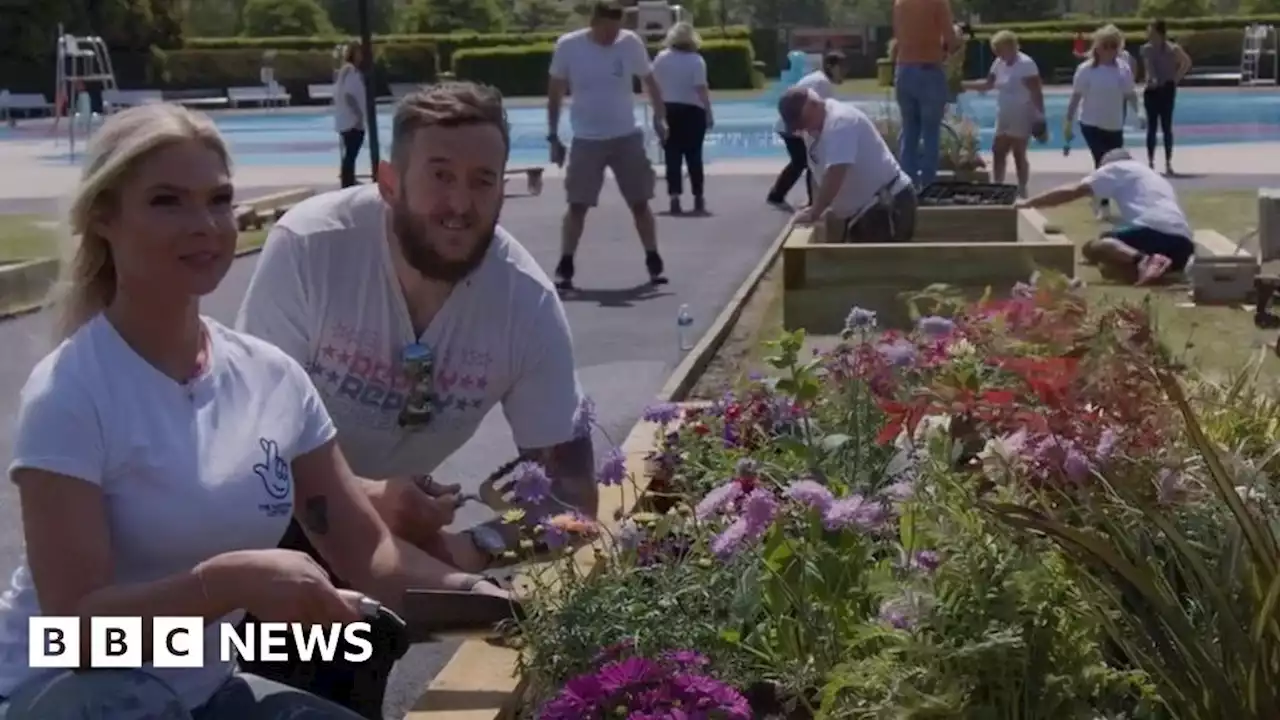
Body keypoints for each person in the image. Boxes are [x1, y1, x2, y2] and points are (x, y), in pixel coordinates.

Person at [0, 103, 513, 720]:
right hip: (66, 693)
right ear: (104, 217)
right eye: (168, 201)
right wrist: (227, 587)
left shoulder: (271, 378)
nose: (205, 224)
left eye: (218, 200)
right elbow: (77, 638)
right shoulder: (71, 392)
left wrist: (505, 606)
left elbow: (372, 558)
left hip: (202, 690)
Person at [234, 81, 596, 716]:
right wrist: (372, 497)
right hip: (263, 514)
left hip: (385, 544)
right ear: (389, 181)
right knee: (291, 666)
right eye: (440, 176)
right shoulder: (313, 248)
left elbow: (571, 494)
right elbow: (247, 443)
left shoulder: (525, 305)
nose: (461, 203)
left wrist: (472, 547)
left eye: (484, 180)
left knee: (351, 662)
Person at [546, 0, 669, 291]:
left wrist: (660, 118)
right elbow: (555, 91)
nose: (612, 37)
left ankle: (653, 259)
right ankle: (566, 263)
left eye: (616, 30)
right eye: (607, 31)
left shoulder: (630, 44)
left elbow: (649, 81)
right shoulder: (569, 46)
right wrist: (553, 135)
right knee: (577, 204)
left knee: (640, 201)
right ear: (594, 23)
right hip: (587, 139)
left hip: (626, 134)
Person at [1016, 148, 1193, 286]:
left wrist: (1030, 203)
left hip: (1153, 232)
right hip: (1182, 244)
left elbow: (1073, 191)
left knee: (1097, 246)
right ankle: (1157, 267)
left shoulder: (1116, 168)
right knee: (1110, 269)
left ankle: (1145, 260)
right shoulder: (1151, 175)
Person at [777, 87, 916, 244]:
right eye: (797, 127)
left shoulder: (840, 123)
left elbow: (836, 172)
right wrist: (816, 208)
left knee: (873, 267)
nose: (801, 129)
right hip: (865, 211)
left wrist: (815, 212)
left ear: (814, 104)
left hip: (885, 205)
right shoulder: (812, 130)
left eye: (803, 122)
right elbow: (818, 173)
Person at [1066, 24, 1143, 220]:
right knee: (1102, 162)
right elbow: (1075, 96)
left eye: (1114, 46)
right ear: (1097, 47)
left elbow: (1130, 94)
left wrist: (1140, 112)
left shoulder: (1122, 68)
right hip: (1091, 123)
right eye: (1106, 45)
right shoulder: (1086, 70)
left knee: (1115, 165)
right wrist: (1068, 121)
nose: (1110, 50)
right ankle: (1104, 205)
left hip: (1114, 123)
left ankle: (1098, 196)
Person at [963, 30, 1044, 197]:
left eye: (1000, 49)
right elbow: (988, 84)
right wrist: (962, 85)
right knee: (998, 150)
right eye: (996, 51)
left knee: (1018, 153)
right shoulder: (999, 63)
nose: (998, 54)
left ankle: (1022, 187)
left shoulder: (1026, 64)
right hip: (1004, 113)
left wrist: (1040, 117)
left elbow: (1037, 92)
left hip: (1022, 112)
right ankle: (997, 186)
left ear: (1010, 46)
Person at [892, 0, 960, 188]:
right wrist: (956, 35)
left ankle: (907, 187)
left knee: (909, 131)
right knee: (931, 132)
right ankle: (928, 186)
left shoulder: (900, 3)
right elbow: (951, 41)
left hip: (904, 69)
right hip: (928, 70)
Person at [766, 51, 844, 210]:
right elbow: (820, 112)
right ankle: (808, 201)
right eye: (841, 68)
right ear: (830, 66)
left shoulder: (819, 79)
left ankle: (779, 195)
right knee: (807, 161)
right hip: (793, 124)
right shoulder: (822, 83)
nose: (844, 73)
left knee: (803, 161)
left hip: (792, 123)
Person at [652, 22, 714, 216]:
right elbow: (700, 88)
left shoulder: (661, 58)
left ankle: (674, 197)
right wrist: (708, 111)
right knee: (694, 156)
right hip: (692, 111)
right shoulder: (696, 60)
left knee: (672, 156)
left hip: (668, 109)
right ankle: (698, 195)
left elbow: (654, 85)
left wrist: (657, 110)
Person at [1139, 19, 1192, 175]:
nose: (1149, 34)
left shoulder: (1173, 49)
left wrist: (1175, 79)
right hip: (1152, 90)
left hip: (1167, 89)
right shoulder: (1146, 49)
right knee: (1152, 127)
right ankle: (1150, 161)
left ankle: (1168, 162)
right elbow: (1149, 67)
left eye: (1151, 31)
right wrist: (1152, 80)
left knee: (1166, 126)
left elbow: (1186, 62)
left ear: (1159, 33)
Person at [334, 42, 368, 189]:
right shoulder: (351, 71)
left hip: (345, 118)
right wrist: (358, 116)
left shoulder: (345, 71)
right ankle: (348, 181)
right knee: (351, 152)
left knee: (349, 151)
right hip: (352, 120)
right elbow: (349, 95)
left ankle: (349, 178)